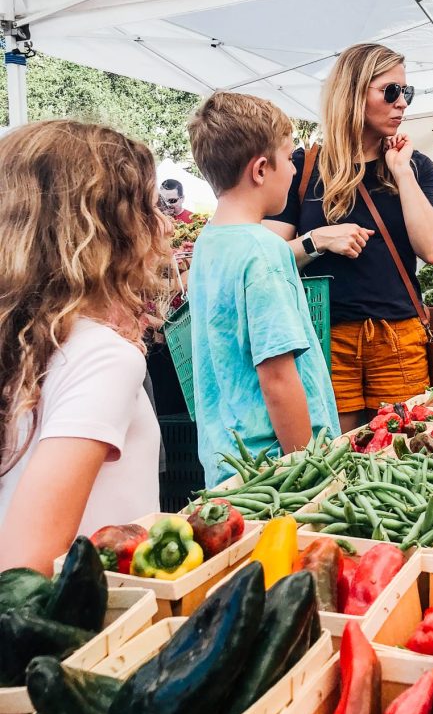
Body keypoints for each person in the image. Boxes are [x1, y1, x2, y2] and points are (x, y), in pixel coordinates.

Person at [0, 121, 170, 574]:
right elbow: (25, 569)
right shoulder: (102, 357)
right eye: (150, 208)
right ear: (111, 230)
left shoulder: (26, 337)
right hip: (93, 629)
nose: (165, 224)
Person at [267, 42, 433, 432]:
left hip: (398, 336)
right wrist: (317, 240)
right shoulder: (304, 166)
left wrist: (401, 173)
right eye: (391, 91)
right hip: (326, 338)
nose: (402, 103)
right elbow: (266, 258)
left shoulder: (414, 166)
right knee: (339, 453)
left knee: (406, 455)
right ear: (352, 92)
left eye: (407, 92)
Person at [187, 92, 340, 487]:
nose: (293, 170)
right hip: (275, 471)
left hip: (229, 464)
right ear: (260, 169)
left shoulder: (208, 243)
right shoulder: (263, 250)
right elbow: (277, 377)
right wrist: (308, 471)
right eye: (289, 158)